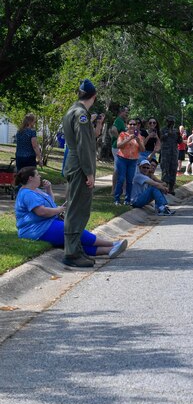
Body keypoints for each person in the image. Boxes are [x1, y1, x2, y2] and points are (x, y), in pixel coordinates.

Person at [14, 166, 127, 257]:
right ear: (30, 178)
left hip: (46, 224)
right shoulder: (27, 194)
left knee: (73, 242)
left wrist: (49, 189)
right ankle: (112, 244)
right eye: (37, 174)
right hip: (37, 229)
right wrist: (58, 210)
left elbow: (50, 203)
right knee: (73, 230)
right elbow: (41, 212)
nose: (40, 176)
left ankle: (109, 250)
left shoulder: (35, 190)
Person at [61, 79, 106, 267]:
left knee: (75, 208)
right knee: (77, 210)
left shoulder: (72, 111)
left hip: (74, 163)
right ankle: (72, 253)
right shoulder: (81, 115)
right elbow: (84, 146)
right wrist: (89, 172)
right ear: (93, 97)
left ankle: (76, 249)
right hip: (80, 166)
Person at [114, 117, 144, 205]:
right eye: (130, 124)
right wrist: (128, 139)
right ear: (127, 125)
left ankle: (127, 200)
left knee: (130, 180)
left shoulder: (139, 136)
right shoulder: (123, 134)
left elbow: (142, 149)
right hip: (122, 159)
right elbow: (119, 145)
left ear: (136, 126)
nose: (132, 126)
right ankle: (117, 199)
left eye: (134, 124)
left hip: (133, 161)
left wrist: (138, 140)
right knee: (121, 178)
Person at [110, 106, 129, 194]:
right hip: (117, 147)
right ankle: (113, 190)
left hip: (120, 147)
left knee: (121, 168)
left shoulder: (122, 121)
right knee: (117, 169)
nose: (127, 114)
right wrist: (119, 140)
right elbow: (113, 130)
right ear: (121, 112)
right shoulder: (118, 120)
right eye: (126, 112)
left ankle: (121, 189)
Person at [160, 116, 180, 193]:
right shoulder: (163, 130)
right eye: (170, 122)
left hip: (174, 153)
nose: (171, 123)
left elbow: (180, 141)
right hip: (165, 153)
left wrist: (179, 135)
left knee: (173, 169)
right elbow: (160, 138)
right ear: (167, 122)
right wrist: (167, 134)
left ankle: (171, 187)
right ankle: (164, 187)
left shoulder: (176, 130)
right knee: (165, 170)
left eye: (173, 122)